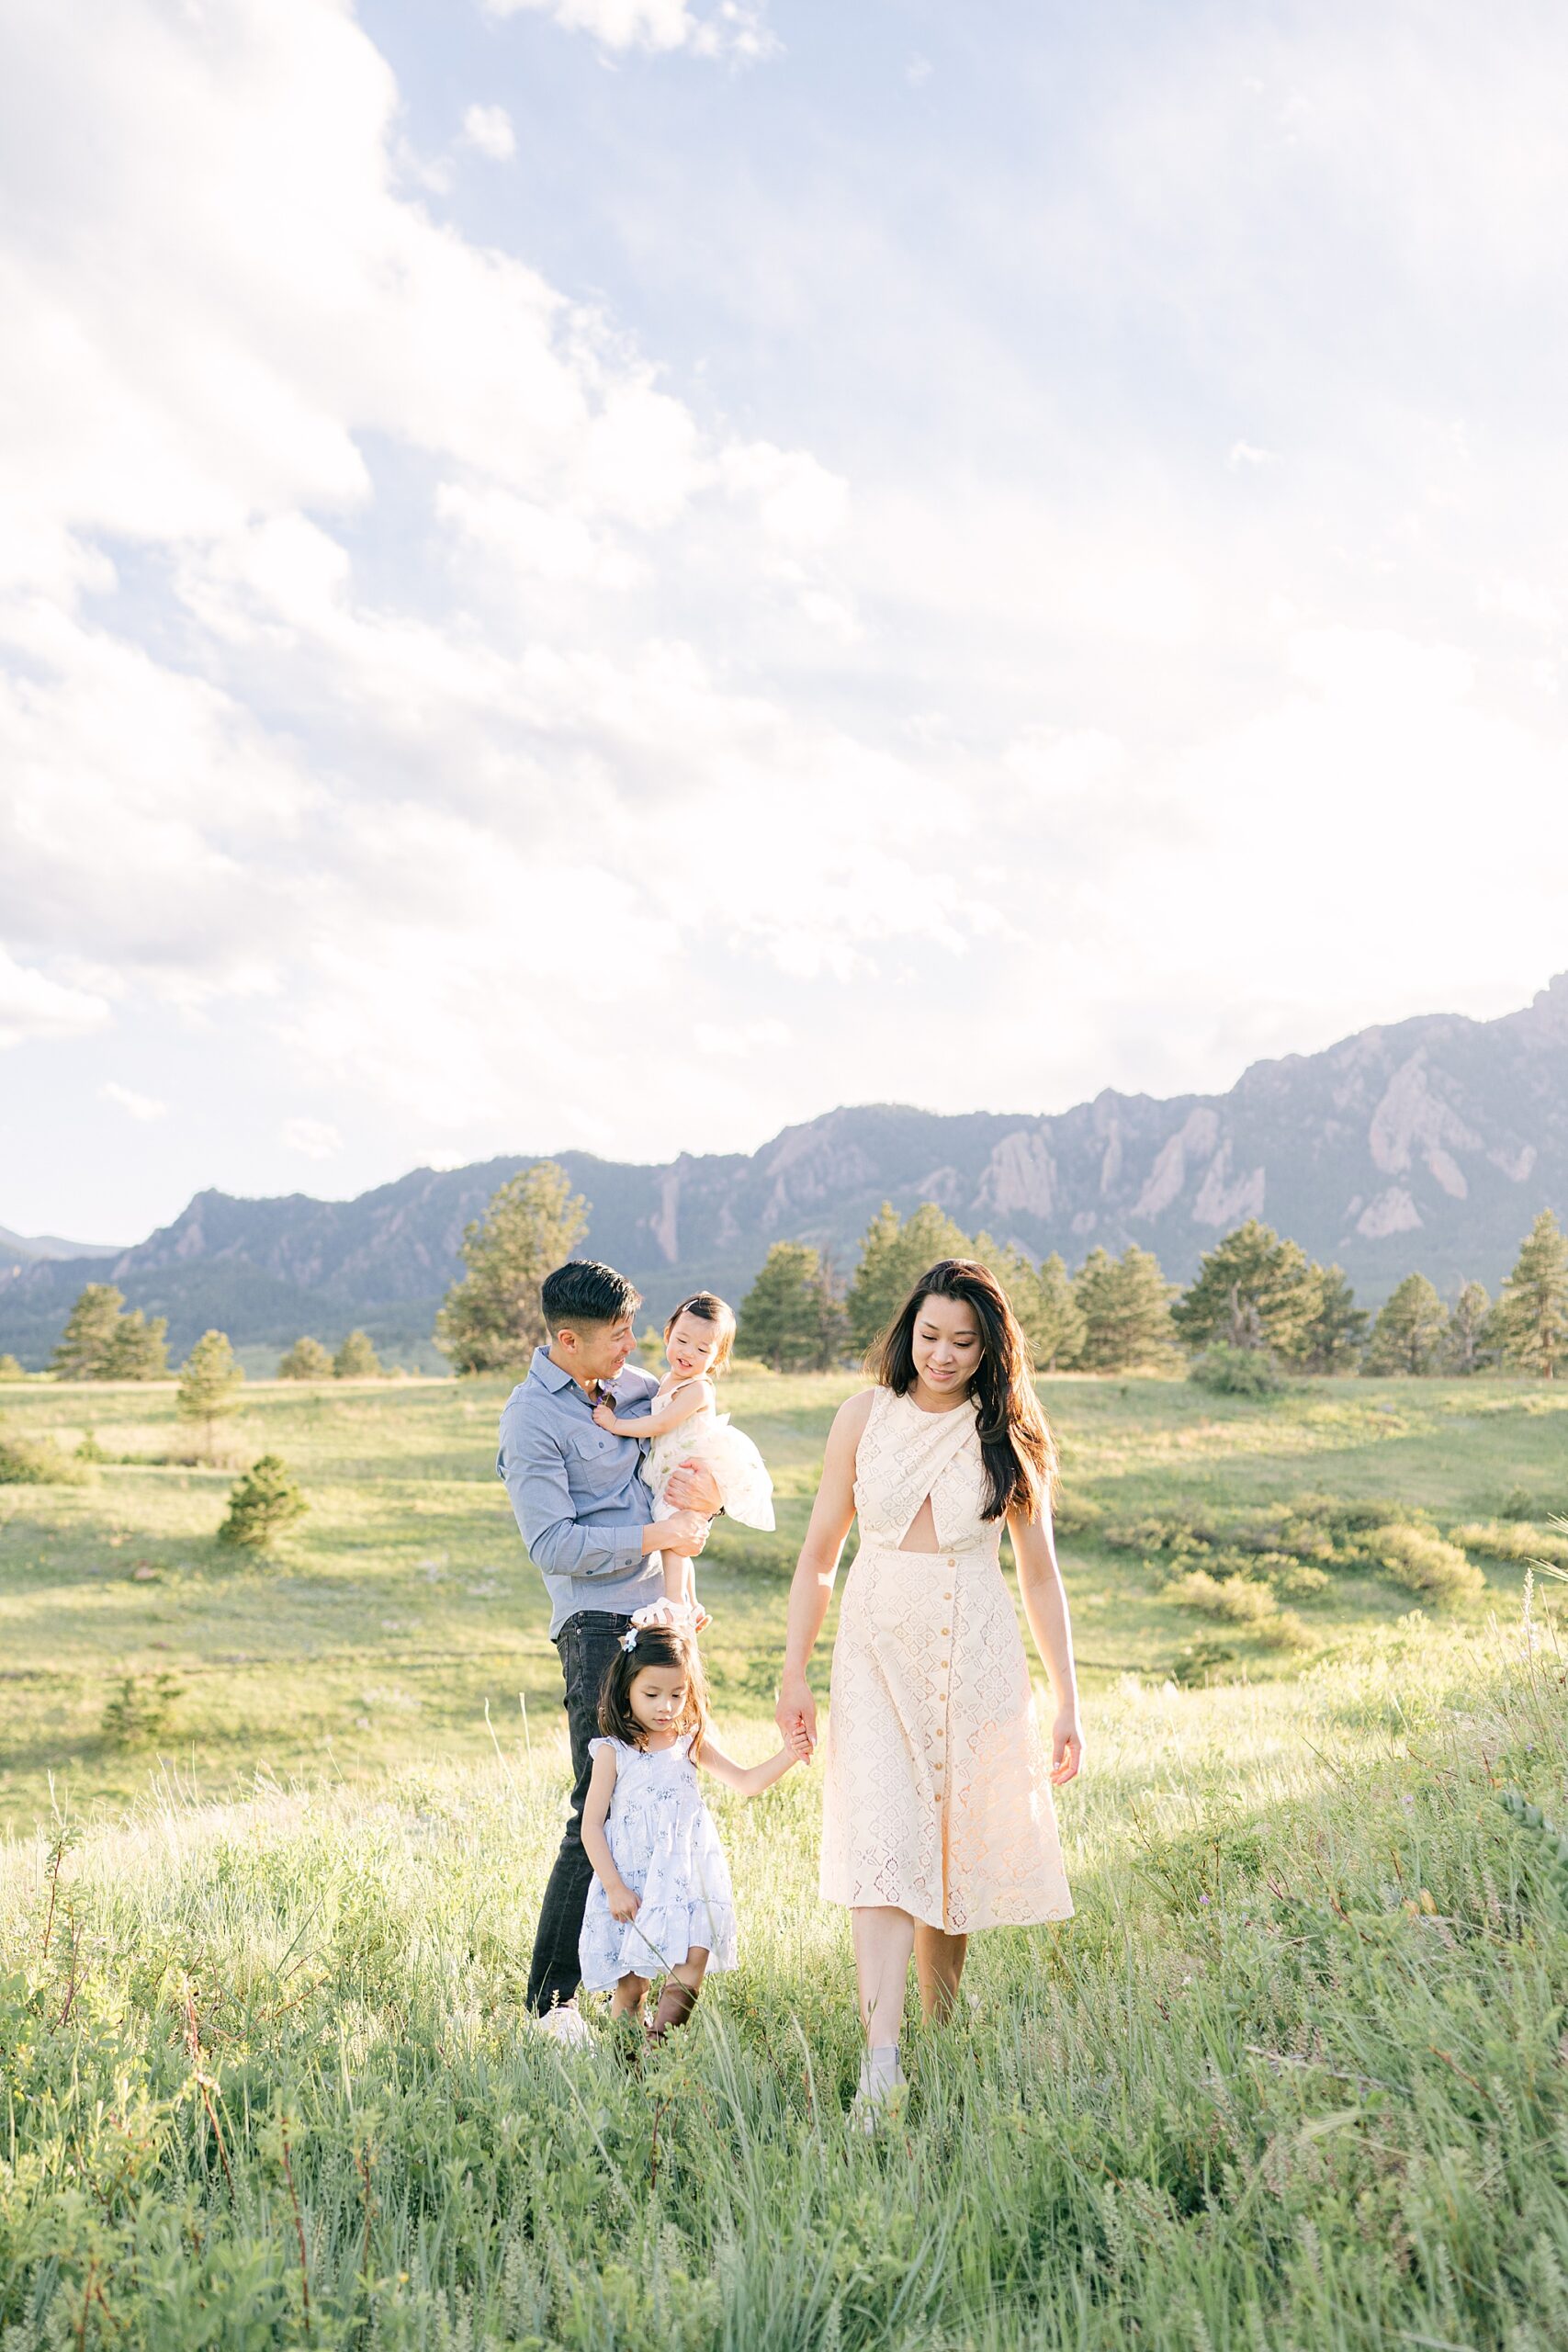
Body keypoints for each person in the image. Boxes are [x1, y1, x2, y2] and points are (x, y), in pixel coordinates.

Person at [775, 1258, 1082, 2126]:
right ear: (906, 1330)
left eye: (963, 1343)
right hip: (872, 1650)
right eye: (929, 1336)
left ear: (991, 1351)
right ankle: (881, 2065)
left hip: (973, 1650)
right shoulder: (862, 1417)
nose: (942, 1356)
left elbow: (1040, 1580)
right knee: (882, 1840)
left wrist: (1068, 1701)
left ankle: (942, 2028)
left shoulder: (1008, 1436)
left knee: (948, 1843)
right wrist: (791, 1672)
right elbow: (818, 1556)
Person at [498, 1259, 724, 2045]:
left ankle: (651, 1992)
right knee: (592, 1811)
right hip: (597, 1626)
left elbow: (680, 1463)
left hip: (661, 1618)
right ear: (567, 1339)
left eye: (635, 1329)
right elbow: (552, 1543)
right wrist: (655, 1536)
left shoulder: (635, 1390)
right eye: (618, 1334)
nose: (636, 1345)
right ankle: (551, 2010)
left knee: (671, 1806)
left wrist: (701, 1503)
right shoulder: (530, 1419)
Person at [580, 1620, 806, 2039]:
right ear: (626, 1690)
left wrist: (789, 1753)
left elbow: (747, 1782)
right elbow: (591, 1826)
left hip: (688, 1876)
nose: (665, 1706)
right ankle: (628, 2073)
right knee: (632, 1990)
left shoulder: (690, 1743)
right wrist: (613, 1886)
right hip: (633, 1879)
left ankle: (659, 2049)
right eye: (652, 1694)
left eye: (677, 1695)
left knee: (690, 1967)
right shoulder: (614, 1752)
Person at [592, 1290, 774, 1622]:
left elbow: (662, 1423)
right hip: (671, 1472)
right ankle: (689, 1601)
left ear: (716, 1359)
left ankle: (673, 1601)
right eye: (682, 1340)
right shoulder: (666, 1380)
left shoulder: (698, 1388)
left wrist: (615, 1423)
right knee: (675, 1539)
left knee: (673, 1535)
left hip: (687, 1473)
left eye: (702, 1349)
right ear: (667, 1335)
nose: (688, 1353)